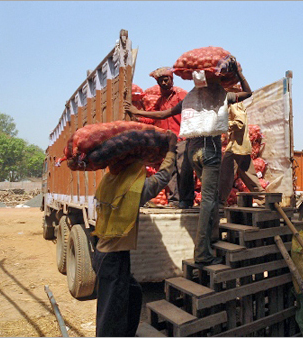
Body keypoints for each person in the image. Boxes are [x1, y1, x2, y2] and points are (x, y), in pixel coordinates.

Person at [126, 57, 251, 266]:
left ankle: (211, 237)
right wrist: (239, 74)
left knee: (208, 197)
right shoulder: (220, 94)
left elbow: (165, 113)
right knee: (209, 200)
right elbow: (248, 93)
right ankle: (203, 252)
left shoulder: (190, 96)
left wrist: (137, 112)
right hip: (210, 149)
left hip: (193, 151)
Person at [92, 131, 178, 337]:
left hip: (106, 254)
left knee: (132, 295)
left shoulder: (110, 181)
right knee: (110, 314)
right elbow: (163, 177)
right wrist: (172, 150)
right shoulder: (132, 190)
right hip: (113, 259)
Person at [148, 67, 194, 209]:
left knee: (184, 169)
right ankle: (174, 200)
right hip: (167, 142)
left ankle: (186, 201)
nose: (164, 83)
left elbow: (192, 112)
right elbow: (152, 117)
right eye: (160, 80)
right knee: (171, 171)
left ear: (171, 80)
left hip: (182, 138)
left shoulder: (181, 95)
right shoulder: (160, 101)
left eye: (166, 79)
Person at [218, 85, 265, 209]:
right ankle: (265, 199)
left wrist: (223, 124)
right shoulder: (234, 104)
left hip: (235, 147)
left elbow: (240, 123)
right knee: (249, 176)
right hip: (241, 146)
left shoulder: (235, 104)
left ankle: (219, 203)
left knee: (225, 176)